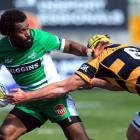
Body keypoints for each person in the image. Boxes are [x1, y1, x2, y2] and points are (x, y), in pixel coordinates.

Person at [6, 34, 140, 140]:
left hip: (43, 99)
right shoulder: (126, 47)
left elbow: (63, 88)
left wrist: (26, 96)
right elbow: (123, 84)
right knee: (134, 134)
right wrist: (93, 82)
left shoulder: (97, 61)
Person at [0, 9, 95, 140]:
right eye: (22, 31)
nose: (28, 33)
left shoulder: (39, 38)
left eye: (28, 28)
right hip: (29, 103)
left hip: (55, 98)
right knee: (4, 135)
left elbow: (70, 46)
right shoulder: (2, 48)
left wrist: (89, 52)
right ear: (9, 33)